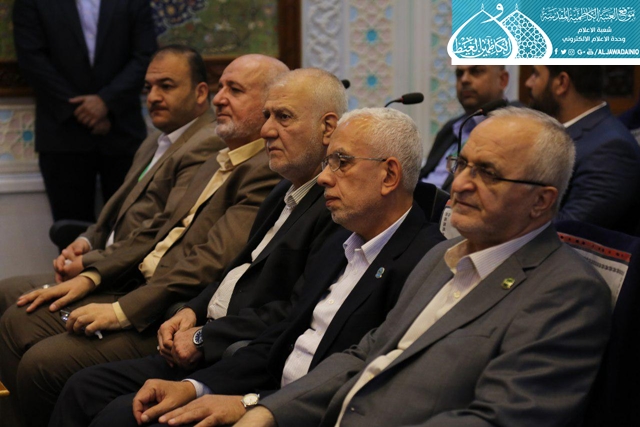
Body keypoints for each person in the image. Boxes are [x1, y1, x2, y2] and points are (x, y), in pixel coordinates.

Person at [50, 108, 445, 427]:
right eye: (328, 162)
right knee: (120, 407)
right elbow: (281, 338)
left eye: (341, 163)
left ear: (389, 175)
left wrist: (250, 403)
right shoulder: (341, 243)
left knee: (122, 415)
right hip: (261, 389)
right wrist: (195, 387)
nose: (325, 177)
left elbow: (363, 385)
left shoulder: (425, 263)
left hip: (296, 412)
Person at [236, 107, 612, 427]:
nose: (460, 184)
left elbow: (497, 419)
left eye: (488, 173)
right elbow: (366, 354)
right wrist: (267, 411)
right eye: (462, 165)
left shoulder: (567, 292)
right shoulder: (441, 257)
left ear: (541, 201)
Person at [0, 54, 287, 427]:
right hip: (139, 284)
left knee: (41, 361)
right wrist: (92, 275)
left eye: (235, 90)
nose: (219, 99)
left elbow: (210, 261)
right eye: (221, 88)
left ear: (269, 105)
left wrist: (120, 309)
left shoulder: (264, 170)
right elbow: (156, 228)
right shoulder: (219, 157)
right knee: (17, 319)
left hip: (169, 311)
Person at [0, 45, 224, 311]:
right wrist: (84, 243)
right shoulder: (154, 140)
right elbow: (118, 212)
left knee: (14, 306)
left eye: (166, 86)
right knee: (7, 293)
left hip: (128, 282)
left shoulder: (206, 143)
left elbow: (163, 230)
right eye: (148, 87)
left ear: (200, 92)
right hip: (102, 265)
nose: (153, 97)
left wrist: (90, 263)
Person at [13, 0, 157, 222]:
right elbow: (32, 60)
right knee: (71, 231)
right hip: (62, 135)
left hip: (122, 131)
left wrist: (106, 102)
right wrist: (82, 109)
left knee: (130, 227)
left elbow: (145, 55)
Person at [526, 65, 640, 234]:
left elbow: (568, 230)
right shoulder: (561, 132)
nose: (528, 83)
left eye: (536, 74)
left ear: (561, 83)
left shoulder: (611, 149)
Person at [419, 65, 510, 192]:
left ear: (502, 79)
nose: (464, 79)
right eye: (459, 73)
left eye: (476, 71)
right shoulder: (451, 127)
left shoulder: (516, 127)